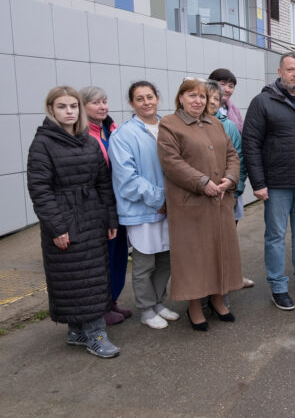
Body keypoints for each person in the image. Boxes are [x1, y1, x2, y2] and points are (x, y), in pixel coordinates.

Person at [26, 86, 120, 358]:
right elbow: (40, 190)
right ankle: (96, 333)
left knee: (92, 275)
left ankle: (78, 331)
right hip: (65, 220)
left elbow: (103, 182)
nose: (69, 111)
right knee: (75, 278)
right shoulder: (43, 143)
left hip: (92, 217)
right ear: (51, 110)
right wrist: (57, 227)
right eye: (62, 107)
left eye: (73, 106)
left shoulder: (88, 140)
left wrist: (110, 217)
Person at [242, 53, 295, 310]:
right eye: (290, 69)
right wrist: (258, 183)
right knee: (276, 237)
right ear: (279, 72)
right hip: (277, 184)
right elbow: (251, 144)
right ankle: (278, 287)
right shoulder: (262, 102)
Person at [157, 78, 243, 331]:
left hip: (220, 200)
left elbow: (231, 154)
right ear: (180, 98)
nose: (197, 100)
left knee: (221, 251)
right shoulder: (170, 124)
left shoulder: (214, 122)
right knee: (195, 257)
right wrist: (202, 182)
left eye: (202, 97)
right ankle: (194, 306)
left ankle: (218, 299)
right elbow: (171, 162)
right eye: (192, 95)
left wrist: (230, 177)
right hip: (190, 204)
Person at [108, 81, 179, 330]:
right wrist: (161, 199)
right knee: (144, 263)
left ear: (157, 98)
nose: (146, 102)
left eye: (150, 96)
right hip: (142, 209)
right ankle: (146, 309)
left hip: (170, 208)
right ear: (131, 104)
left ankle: (158, 302)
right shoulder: (123, 135)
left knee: (166, 260)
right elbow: (127, 179)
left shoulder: (169, 126)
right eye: (140, 99)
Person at [80, 85, 132, 326]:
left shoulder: (112, 129)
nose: (102, 107)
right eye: (95, 103)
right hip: (99, 207)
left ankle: (112, 301)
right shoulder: (81, 135)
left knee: (119, 254)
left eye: (104, 101)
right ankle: (101, 306)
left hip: (118, 202)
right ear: (83, 106)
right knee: (104, 257)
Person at [206, 80, 253, 289]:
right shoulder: (183, 126)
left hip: (228, 194)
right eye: (208, 97)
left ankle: (227, 283)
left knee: (227, 242)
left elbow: (239, 158)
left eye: (216, 98)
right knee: (205, 246)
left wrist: (235, 187)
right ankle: (208, 288)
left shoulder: (228, 125)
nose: (211, 102)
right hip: (200, 196)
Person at [210, 68, 243, 132]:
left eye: (231, 86)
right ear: (210, 85)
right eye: (222, 84)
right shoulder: (200, 108)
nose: (227, 90)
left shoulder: (235, 111)